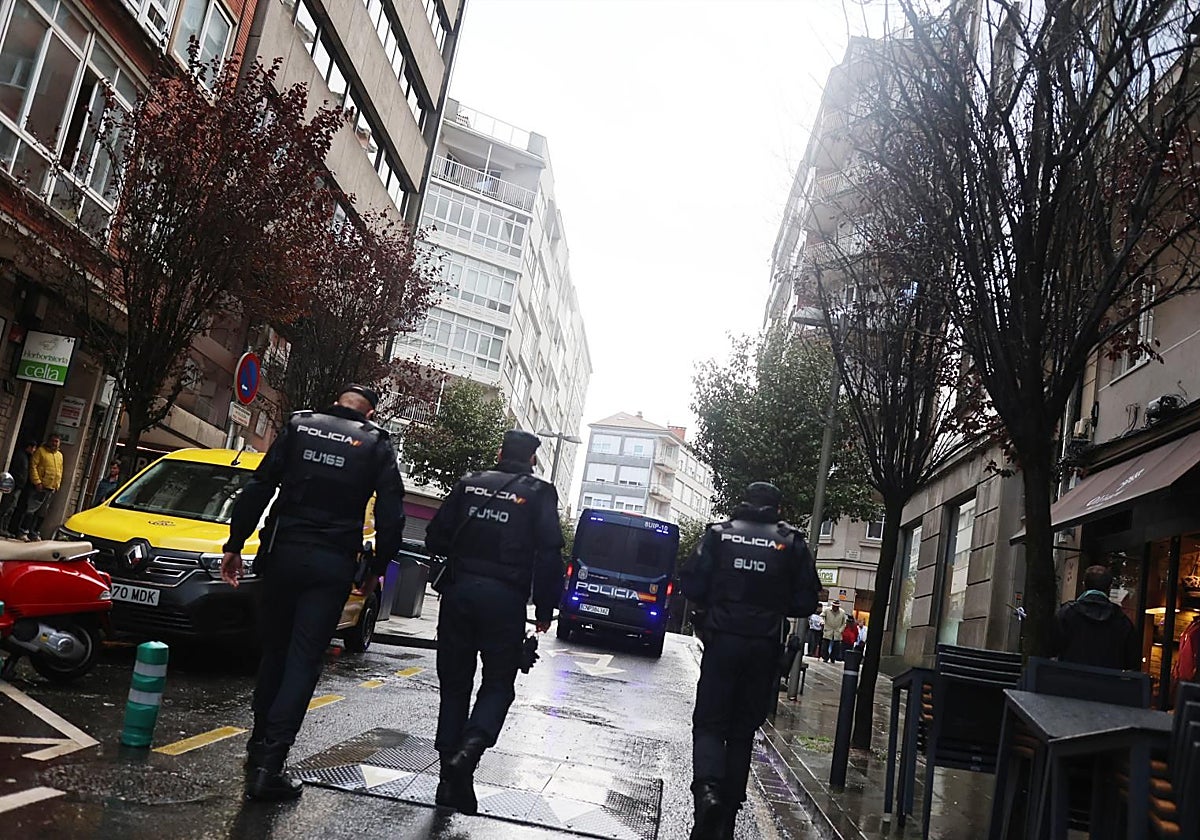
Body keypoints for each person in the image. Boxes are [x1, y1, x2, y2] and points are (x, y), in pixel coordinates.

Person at [220, 384, 406, 801]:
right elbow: (393, 514)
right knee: (304, 660)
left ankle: (256, 746)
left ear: (336, 403)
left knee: (275, 652)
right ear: (369, 414)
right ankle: (271, 763)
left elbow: (260, 486)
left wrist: (235, 544)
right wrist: (375, 571)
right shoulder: (375, 444)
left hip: (283, 554)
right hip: (331, 564)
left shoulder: (299, 426)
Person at [423, 429, 564, 816]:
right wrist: (546, 609)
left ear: (500, 452)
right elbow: (551, 555)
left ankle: (447, 780)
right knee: (499, 684)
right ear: (532, 460)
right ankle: (469, 753)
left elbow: (435, 538)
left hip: (458, 595)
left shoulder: (468, 484)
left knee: (454, 686)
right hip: (505, 600)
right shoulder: (539, 494)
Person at [680, 482, 820, 840]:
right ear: (777, 507)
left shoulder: (720, 534)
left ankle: (707, 794)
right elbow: (807, 601)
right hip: (762, 645)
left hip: (722, 639)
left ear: (745, 501)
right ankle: (727, 812)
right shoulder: (791, 542)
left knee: (710, 723)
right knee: (742, 731)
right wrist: (774, 605)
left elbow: (692, 584)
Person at [1051, 565, 1139, 670]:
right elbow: (1131, 661)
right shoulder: (1121, 620)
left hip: (1070, 680)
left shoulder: (1066, 613)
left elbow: (1051, 648)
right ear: (1109, 588)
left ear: (1083, 585)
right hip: (1108, 683)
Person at [19, 433, 63, 540]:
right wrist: (37, 482)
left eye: (56, 441)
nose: (54, 443)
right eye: (52, 441)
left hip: (51, 488)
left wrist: (57, 485)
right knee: (31, 509)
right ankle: (23, 531)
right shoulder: (40, 451)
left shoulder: (59, 456)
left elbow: (60, 471)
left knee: (42, 513)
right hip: (40, 486)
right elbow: (33, 466)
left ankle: (34, 532)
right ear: (48, 441)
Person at [0, 438, 36, 537]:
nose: (34, 450)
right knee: (7, 506)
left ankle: (5, 528)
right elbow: (17, 471)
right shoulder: (20, 456)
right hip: (14, 486)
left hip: (18, 486)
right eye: (33, 448)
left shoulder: (26, 457)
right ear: (29, 447)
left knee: (12, 507)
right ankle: (2, 528)